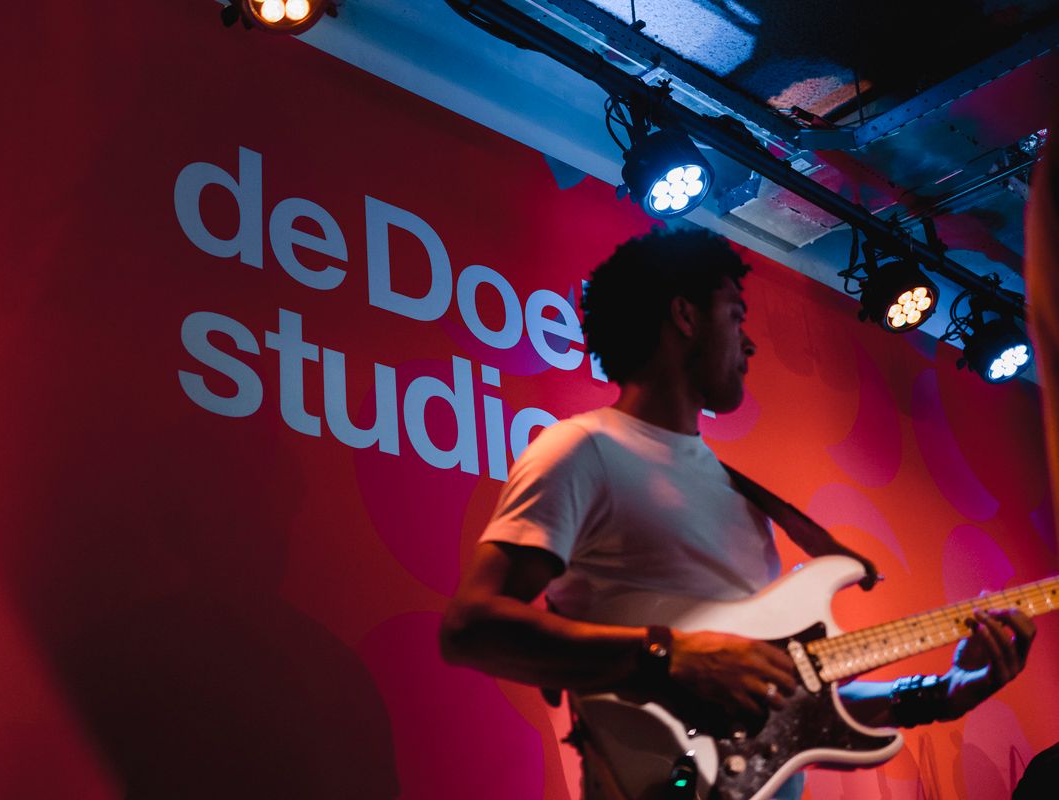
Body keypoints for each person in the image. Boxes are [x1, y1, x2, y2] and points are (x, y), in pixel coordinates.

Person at [439, 228, 1036, 800]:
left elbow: (784, 704)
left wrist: (942, 693)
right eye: (735, 315)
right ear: (685, 316)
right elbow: (472, 627)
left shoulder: (739, 499)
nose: (748, 344)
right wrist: (672, 655)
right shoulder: (583, 450)